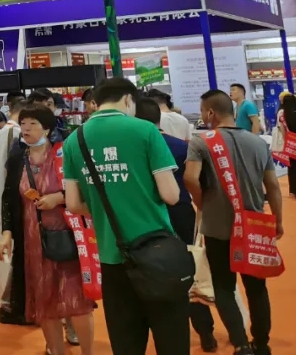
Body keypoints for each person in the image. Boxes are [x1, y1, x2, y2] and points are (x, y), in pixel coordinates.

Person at [62, 78, 187, 355]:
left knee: (126, 342)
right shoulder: (145, 130)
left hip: (112, 256)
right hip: (157, 252)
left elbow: (73, 203)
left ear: (96, 102)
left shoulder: (74, 140)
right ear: (129, 100)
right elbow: (170, 195)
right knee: (172, 338)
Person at [185, 90, 284, 355]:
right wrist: (278, 220)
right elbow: (273, 185)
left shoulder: (201, 142)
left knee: (223, 286)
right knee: (257, 288)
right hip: (253, 226)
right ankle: (261, 343)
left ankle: (240, 344)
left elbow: (190, 177)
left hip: (217, 227)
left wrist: (202, 203)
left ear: (210, 113)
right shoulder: (258, 143)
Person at [0, 105, 95, 355]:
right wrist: (7, 233)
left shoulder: (64, 154)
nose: (26, 129)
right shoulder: (18, 159)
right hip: (33, 242)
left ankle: (88, 352)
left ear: (48, 129)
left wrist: (59, 198)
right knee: (44, 301)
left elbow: (88, 190)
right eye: (23, 124)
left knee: (76, 299)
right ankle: (56, 350)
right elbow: (9, 198)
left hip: (67, 238)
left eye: (33, 124)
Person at [135, 97, 217, 352]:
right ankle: (205, 331)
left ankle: (165, 330)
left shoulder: (136, 148)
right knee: (190, 269)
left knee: (152, 272)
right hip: (182, 213)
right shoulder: (182, 146)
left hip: (149, 216)